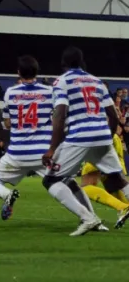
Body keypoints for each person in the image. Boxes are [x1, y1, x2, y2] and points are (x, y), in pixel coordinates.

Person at [42, 46, 129, 236]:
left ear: (63, 64)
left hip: (80, 136)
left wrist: (52, 148)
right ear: (82, 62)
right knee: (117, 180)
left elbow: (59, 114)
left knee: (51, 180)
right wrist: (108, 136)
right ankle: (98, 215)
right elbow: (113, 115)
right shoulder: (96, 81)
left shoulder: (62, 82)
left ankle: (88, 218)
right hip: (103, 136)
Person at [0, 55, 55, 220]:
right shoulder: (49, 92)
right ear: (37, 71)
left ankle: (7, 194)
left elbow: (7, 123)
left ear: (18, 73)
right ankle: (87, 216)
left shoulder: (10, 93)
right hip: (43, 153)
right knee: (65, 186)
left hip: (17, 153)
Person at [81, 124, 129, 229]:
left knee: (85, 187)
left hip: (99, 139)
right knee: (112, 188)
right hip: (109, 138)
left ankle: (123, 208)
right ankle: (124, 207)